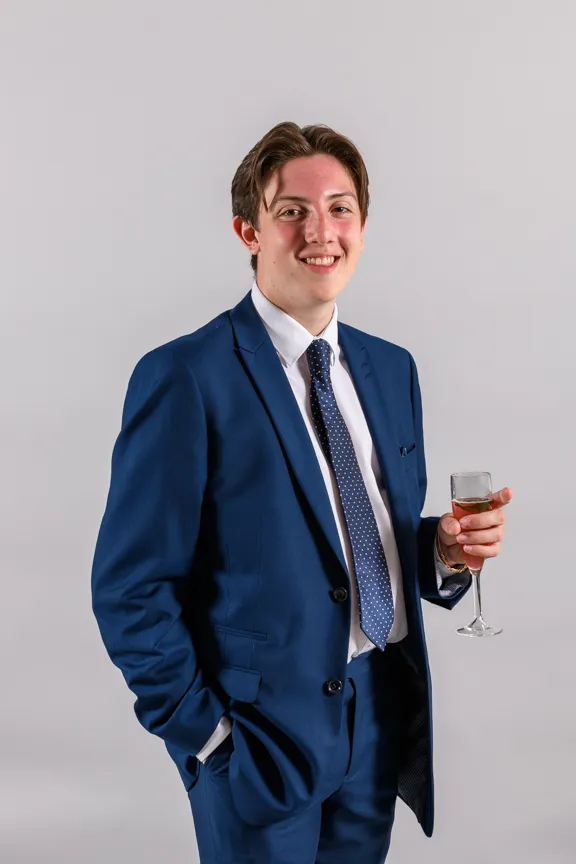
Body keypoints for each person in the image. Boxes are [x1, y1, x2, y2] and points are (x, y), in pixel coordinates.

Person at [91, 121, 512, 863]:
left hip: (378, 715)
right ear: (248, 229)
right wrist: (210, 738)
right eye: (292, 210)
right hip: (257, 738)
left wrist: (439, 550)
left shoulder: (391, 368)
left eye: (341, 208)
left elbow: (343, 540)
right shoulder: (187, 377)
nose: (321, 231)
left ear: (363, 225)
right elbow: (130, 586)